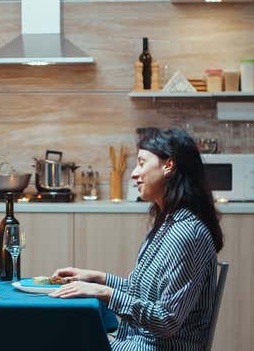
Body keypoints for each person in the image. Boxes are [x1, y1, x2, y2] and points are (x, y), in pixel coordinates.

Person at [50, 128, 223, 350]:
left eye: (142, 163)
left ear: (168, 165)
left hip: (156, 347)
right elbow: (142, 291)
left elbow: (166, 321)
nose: (133, 173)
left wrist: (104, 293)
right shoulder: (168, 224)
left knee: (55, 339)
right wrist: (96, 278)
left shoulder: (186, 234)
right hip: (137, 341)